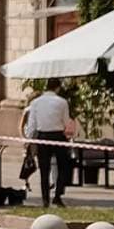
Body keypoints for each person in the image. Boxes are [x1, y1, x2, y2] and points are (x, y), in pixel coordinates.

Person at [22, 79, 74, 210]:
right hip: (58, 136)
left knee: (44, 170)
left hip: (42, 136)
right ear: (57, 88)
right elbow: (66, 121)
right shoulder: (62, 102)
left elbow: (32, 124)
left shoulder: (35, 103)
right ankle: (57, 196)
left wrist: (29, 140)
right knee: (63, 167)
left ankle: (45, 200)